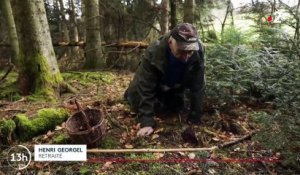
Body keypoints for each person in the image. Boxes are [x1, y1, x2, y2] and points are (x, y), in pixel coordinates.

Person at [124, 23, 205, 137]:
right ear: (171, 42)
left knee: (175, 108)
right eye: (182, 50)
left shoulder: (199, 50)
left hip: (175, 86)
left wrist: (195, 117)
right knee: (136, 101)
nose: (186, 56)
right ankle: (130, 95)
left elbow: (198, 85)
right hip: (153, 84)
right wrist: (147, 122)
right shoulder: (154, 50)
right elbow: (145, 86)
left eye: (190, 51)